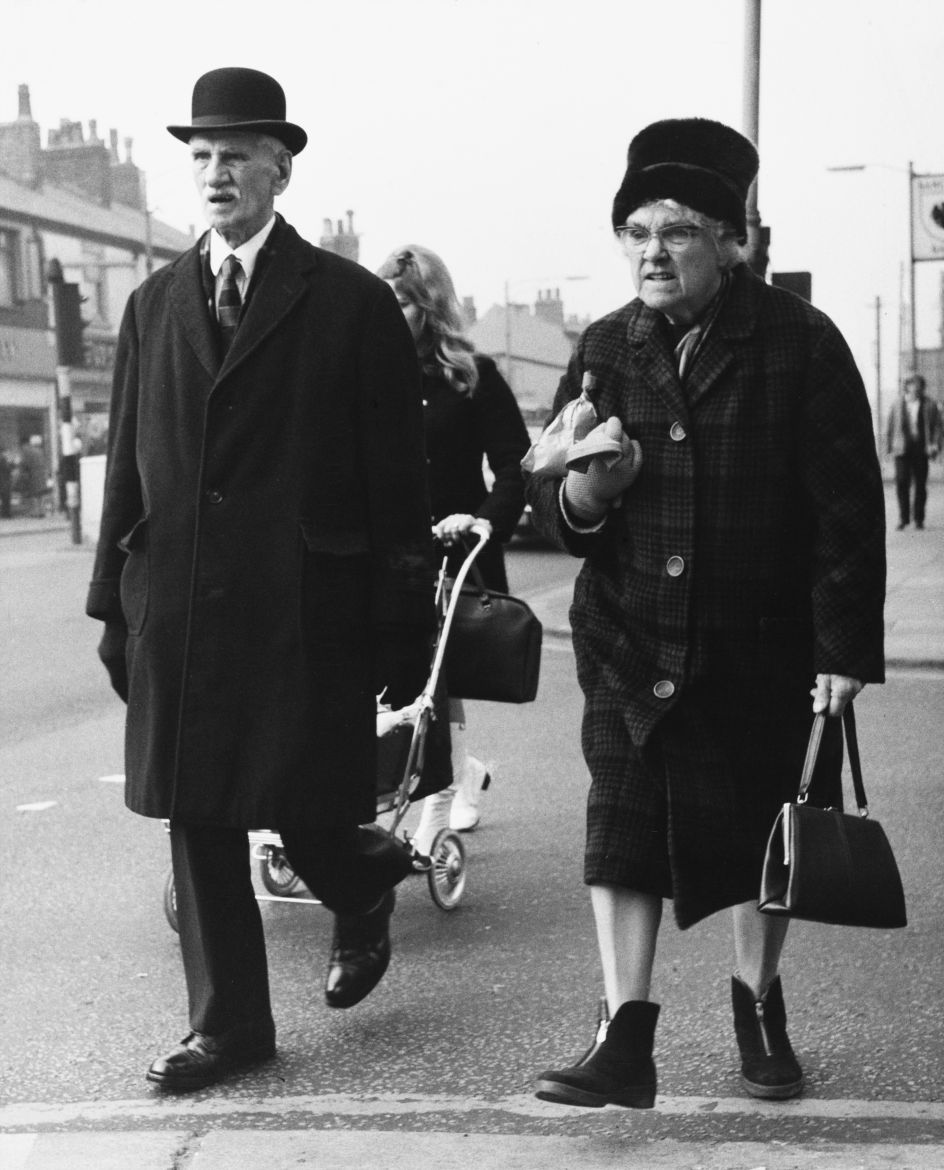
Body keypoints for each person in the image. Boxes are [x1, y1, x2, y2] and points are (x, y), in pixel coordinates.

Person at [524, 118, 886, 1109]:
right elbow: (559, 514)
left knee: (758, 832)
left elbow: (846, 512)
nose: (652, 252)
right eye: (636, 232)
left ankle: (756, 1005)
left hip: (758, 644)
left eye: (677, 231)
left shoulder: (799, 343)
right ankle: (623, 1038)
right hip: (629, 634)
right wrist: (588, 493)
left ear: (730, 241)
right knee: (620, 828)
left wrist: (841, 650)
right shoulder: (605, 345)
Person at [86, 67, 435, 1092]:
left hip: (302, 602)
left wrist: (401, 614)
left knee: (304, 798)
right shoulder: (153, 306)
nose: (215, 173)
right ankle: (229, 1027)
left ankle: (360, 882)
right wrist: (113, 603)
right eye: (200, 156)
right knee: (197, 811)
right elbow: (126, 464)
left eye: (235, 155)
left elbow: (396, 476)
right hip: (181, 599)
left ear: (280, 170)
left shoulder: (350, 303)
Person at [376, 246, 531, 848]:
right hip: (388, 553)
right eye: (386, 300)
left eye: (405, 302)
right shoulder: (367, 375)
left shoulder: (473, 376)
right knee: (401, 682)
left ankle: (437, 809)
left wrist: (483, 519)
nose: (393, 313)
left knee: (439, 682)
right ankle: (462, 771)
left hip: (455, 550)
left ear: (432, 306)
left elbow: (515, 467)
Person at [886, 373, 942, 530]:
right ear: (906, 386)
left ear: (922, 387)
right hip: (901, 449)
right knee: (901, 482)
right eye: (911, 384)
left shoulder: (929, 404)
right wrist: (889, 448)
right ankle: (903, 518)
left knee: (920, 484)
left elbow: (938, 427)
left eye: (918, 384)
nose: (915, 388)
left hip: (921, 449)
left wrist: (935, 444)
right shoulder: (897, 404)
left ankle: (918, 519)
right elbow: (890, 425)